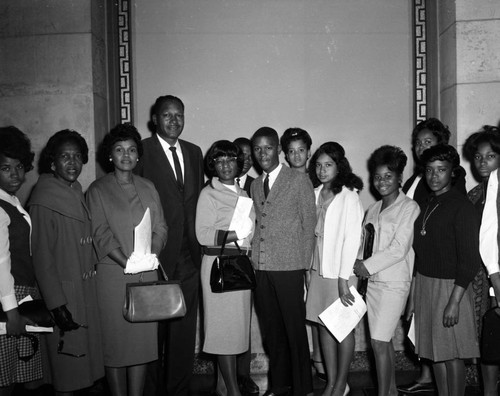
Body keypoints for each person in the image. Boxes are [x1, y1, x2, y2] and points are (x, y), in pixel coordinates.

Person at [86, 124, 168, 396]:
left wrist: (152, 254)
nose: (126, 155)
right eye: (119, 150)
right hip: (114, 277)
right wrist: (127, 262)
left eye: (131, 150)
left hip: (146, 274)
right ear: (110, 155)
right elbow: (100, 233)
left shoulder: (148, 186)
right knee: (116, 344)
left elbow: (161, 227)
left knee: (141, 345)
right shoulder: (97, 190)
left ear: (138, 155)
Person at [135, 95, 204, 396]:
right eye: (167, 115)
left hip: (190, 254)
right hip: (156, 254)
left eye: (179, 115)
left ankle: (178, 390)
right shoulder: (142, 151)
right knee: (153, 331)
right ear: (155, 119)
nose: (174, 120)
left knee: (184, 329)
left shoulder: (194, 151)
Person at [29, 130, 104, 395]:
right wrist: (56, 304)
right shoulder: (43, 198)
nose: (72, 163)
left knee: (81, 369)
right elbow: (41, 257)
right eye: (64, 156)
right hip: (64, 296)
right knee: (66, 371)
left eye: (77, 156)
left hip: (83, 293)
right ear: (52, 163)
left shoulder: (75, 190)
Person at [398, 117, 466, 394]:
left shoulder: (451, 187)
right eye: (418, 142)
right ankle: (428, 376)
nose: (420, 146)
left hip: (445, 273)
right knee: (428, 337)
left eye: (428, 142)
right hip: (420, 265)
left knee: (448, 347)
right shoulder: (417, 178)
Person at [409, 144, 480, 396]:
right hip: (426, 285)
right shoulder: (427, 203)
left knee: (452, 356)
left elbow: (470, 260)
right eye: (429, 170)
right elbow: (421, 254)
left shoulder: (462, 206)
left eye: (441, 170)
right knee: (434, 353)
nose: (434, 176)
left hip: (452, 288)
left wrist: (454, 302)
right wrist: (414, 297)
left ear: (453, 172)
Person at [250, 127, 316, 396]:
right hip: (261, 268)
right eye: (257, 149)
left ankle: (303, 388)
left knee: (294, 331)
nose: (262, 153)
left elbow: (308, 225)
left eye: (268, 147)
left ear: (278, 149)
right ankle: (279, 385)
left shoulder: (298, 181)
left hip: (289, 267)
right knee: (271, 332)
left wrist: (304, 268)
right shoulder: (255, 184)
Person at [353, 146, 420, 396]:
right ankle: (389, 391)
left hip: (393, 284)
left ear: (400, 178)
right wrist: (355, 270)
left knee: (379, 342)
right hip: (370, 285)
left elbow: (399, 249)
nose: (382, 182)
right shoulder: (372, 209)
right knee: (381, 344)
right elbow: (363, 245)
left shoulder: (409, 208)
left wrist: (365, 266)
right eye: (378, 177)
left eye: (388, 176)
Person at [196, 140, 256, 396]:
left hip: (239, 265)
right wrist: (233, 234)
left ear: (237, 163)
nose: (225, 165)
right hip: (217, 266)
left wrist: (244, 237)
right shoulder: (208, 193)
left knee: (236, 332)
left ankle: (225, 387)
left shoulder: (244, 195)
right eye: (219, 161)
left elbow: (250, 233)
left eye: (230, 160)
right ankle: (233, 389)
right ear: (213, 165)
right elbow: (202, 234)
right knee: (222, 331)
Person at [305, 142, 364, 396]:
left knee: (342, 327)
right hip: (318, 270)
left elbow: (353, 238)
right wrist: (308, 270)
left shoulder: (349, 195)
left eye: (328, 165)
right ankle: (330, 382)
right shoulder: (315, 192)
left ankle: (341, 384)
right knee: (323, 326)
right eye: (318, 165)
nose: (322, 170)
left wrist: (343, 279)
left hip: (340, 273)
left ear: (339, 166)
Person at [0, 127, 42, 396]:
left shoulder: (12, 201)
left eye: (19, 166)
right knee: (5, 379)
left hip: (21, 296)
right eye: (5, 168)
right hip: (8, 300)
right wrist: (11, 311)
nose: (15, 174)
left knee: (20, 375)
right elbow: (0, 263)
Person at [463, 125, 500, 396]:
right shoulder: (474, 195)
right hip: (479, 279)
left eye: (490, 156)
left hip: (495, 276)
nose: (482, 162)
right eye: (478, 157)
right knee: (487, 342)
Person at [231, 138, 258, 396]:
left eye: (251, 155)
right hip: (225, 263)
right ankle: (225, 379)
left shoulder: (257, 186)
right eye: (242, 154)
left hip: (250, 264)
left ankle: (243, 375)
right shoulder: (217, 185)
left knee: (244, 321)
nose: (247, 159)